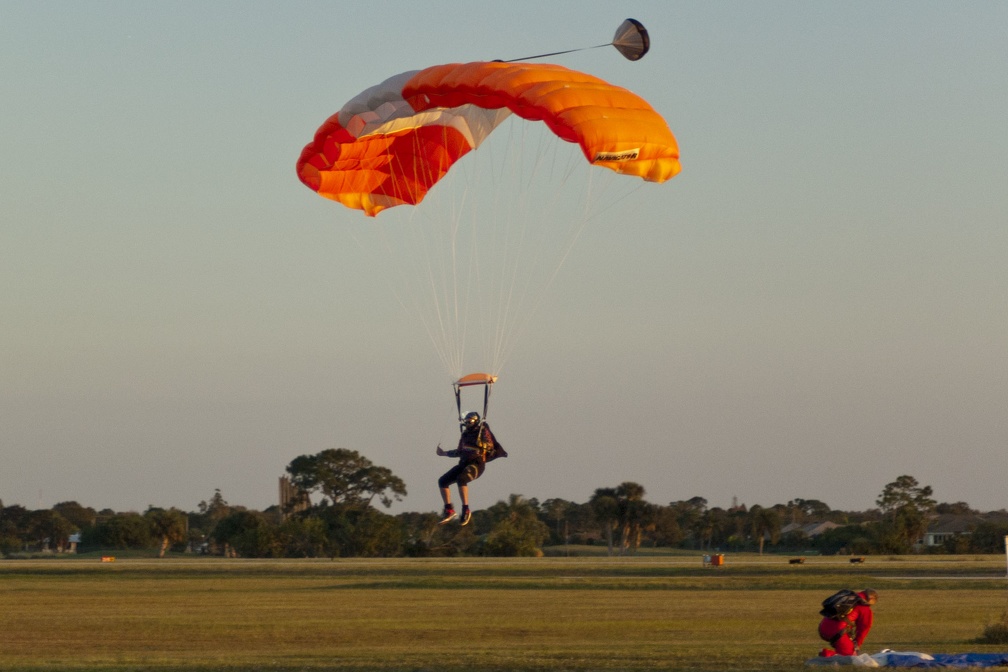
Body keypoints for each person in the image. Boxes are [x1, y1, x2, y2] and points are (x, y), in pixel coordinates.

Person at [436, 411, 506, 525]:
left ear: (474, 422)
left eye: (469, 422)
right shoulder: (464, 435)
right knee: (442, 481)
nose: (467, 424)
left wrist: (483, 445)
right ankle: (449, 510)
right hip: (463, 463)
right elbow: (459, 451)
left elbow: (490, 446)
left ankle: (466, 510)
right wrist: (444, 453)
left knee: (461, 479)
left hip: (477, 464)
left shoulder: (482, 432)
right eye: (466, 422)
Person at [818, 589, 878, 656]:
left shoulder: (849, 598)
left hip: (823, 626)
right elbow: (864, 628)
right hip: (837, 631)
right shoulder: (864, 608)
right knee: (850, 656)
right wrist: (857, 645)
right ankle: (826, 654)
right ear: (871, 599)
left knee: (845, 648)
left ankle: (827, 654)